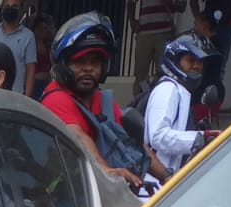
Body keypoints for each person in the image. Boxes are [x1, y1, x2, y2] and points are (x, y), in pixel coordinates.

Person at [40, 12, 160, 192]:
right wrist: (108, 172)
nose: (88, 68)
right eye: (79, 61)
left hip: (102, 192)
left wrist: (169, 177)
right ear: (64, 65)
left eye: (95, 62)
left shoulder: (101, 100)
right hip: (66, 196)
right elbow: (79, 138)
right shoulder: (56, 98)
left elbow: (133, 142)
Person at [141, 33, 221, 176]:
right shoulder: (168, 89)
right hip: (155, 182)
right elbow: (158, 136)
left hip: (169, 180)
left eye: (200, 62)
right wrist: (199, 137)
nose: (197, 66)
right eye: (191, 60)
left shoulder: (179, 90)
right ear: (176, 61)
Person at [127, 0, 187, 91]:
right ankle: (139, 101)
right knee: (141, 72)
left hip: (164, 34)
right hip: (145, 34)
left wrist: (170, 2)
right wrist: (133, 22)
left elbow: (183, 6)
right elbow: (131, 1)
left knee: (163, 71)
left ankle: (157, 98)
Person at [31, 14, 54, 96]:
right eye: (39, 28)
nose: (42, 30)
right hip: (34, 84)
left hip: (46, 84)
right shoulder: (30, 47)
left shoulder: (48, 47)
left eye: (44, 28)